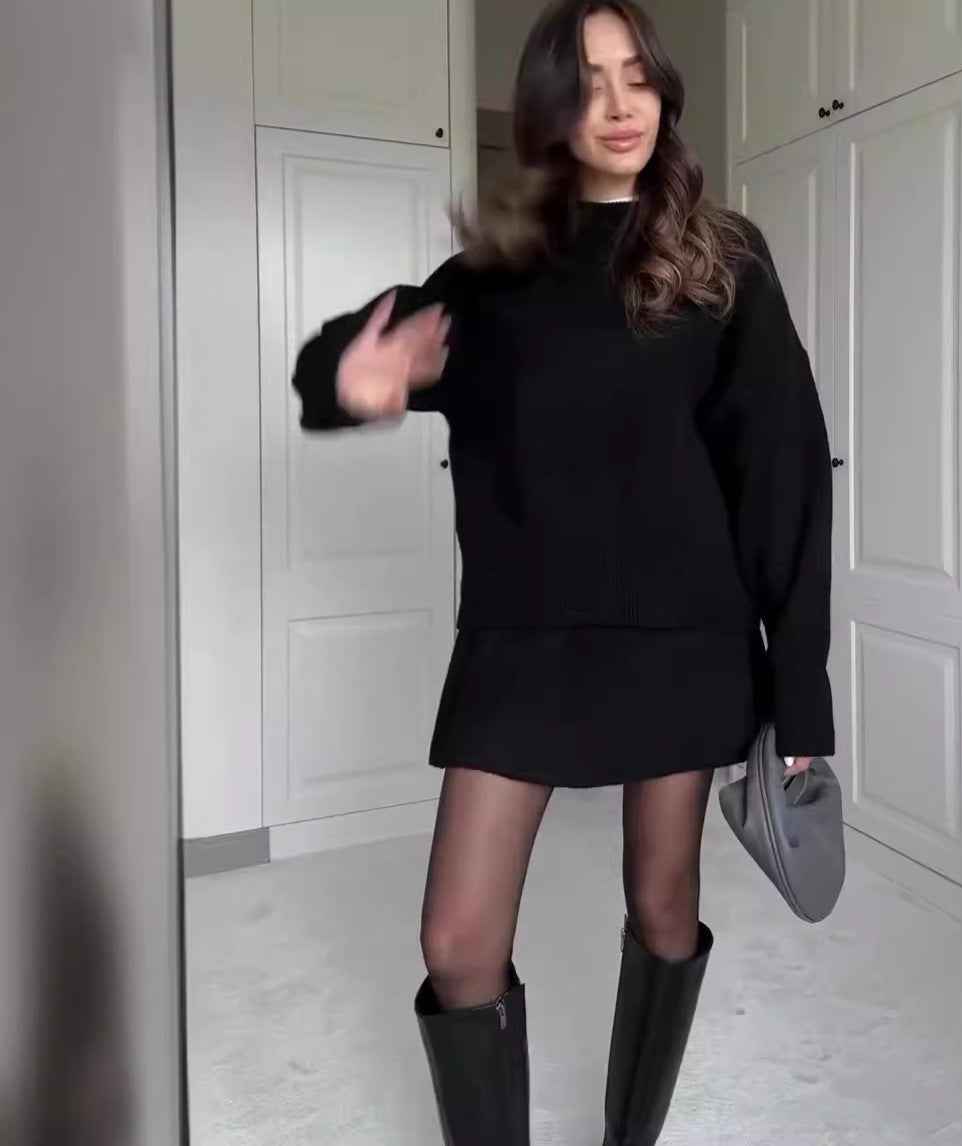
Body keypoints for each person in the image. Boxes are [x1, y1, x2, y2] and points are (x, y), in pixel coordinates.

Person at [291, 1, 835, 1141]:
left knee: (663, 904)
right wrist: (352, 378)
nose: (621, 104)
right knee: (457, 941)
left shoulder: (722, 259)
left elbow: (784, 474)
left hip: (683, 635)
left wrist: (800, 694)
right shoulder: (490, 278)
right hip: (521, 641)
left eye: (637, 75)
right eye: (590, 81)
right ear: (549, 107)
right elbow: (345, 360)